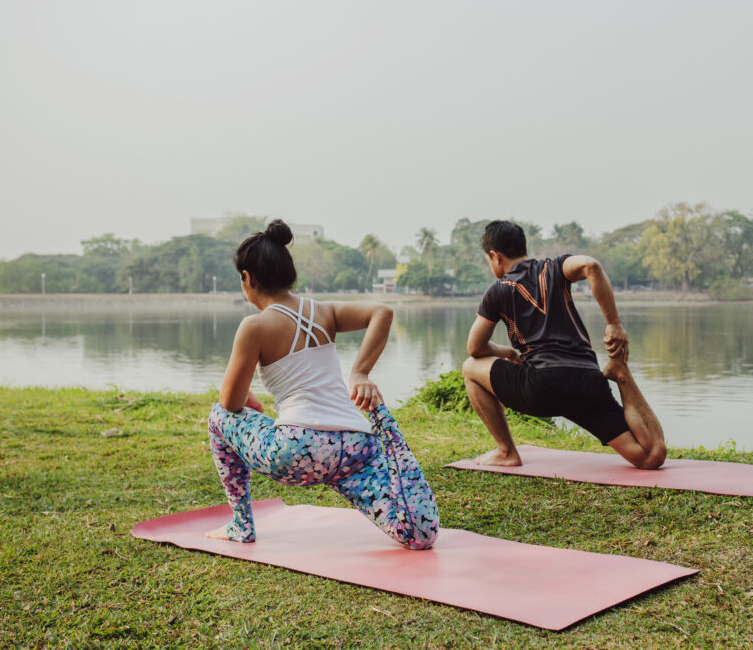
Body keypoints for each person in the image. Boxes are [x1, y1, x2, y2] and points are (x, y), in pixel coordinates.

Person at [205, 220, 439, 549]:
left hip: (299, 449)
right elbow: (381, 313)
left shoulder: (254, 326)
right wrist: (360, 372)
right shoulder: (323, 311)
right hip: (356, 447)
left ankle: (241, 525)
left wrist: (246, 398)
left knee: (217, 417)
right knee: (416, 536)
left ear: (247, 278)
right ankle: (415, 531)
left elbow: (230, 404)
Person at [462, 220, 667, 470]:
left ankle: (506, 451)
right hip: (587, 383)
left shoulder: (499, 289)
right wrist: (613, 324)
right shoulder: (555, 267)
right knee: (651, 456)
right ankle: (622, 375)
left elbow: (475, 348)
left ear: (495, 256)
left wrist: (506, 352)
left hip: (542, 387)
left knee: (470, 368)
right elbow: (591, 265)